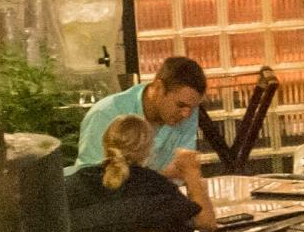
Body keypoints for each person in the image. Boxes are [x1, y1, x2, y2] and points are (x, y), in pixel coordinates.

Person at [65, 115, 201, 232]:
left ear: (105, 144)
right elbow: (203, 222)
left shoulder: (68, 189)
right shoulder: (155, 187)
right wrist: (191, 173)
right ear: (148, 150)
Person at [74, 56, 208, 199]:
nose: (187, 114)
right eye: (180, 105)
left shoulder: (186, 112)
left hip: (155, 204)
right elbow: (91, 183)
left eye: (192, 108)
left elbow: (181, 174)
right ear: (158, 88)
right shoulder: (105, 114)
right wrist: (159, 177)